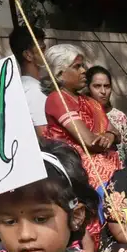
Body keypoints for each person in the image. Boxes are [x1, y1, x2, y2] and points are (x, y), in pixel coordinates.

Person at [41, 45, 120, 191]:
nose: (84, 71)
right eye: (77, 67)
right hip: (80, 175)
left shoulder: (90, 101)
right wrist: (108, 137)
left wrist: (109, 135)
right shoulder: (57, 98)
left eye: (82, 65)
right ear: (59, 73)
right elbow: (89, 141)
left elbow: (117, 134)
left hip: (109, 171)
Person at [86, 66, 127, 166]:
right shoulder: (83, 117)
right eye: (97, 86)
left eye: (107, 86)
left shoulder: (119, 117)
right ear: (88, 87)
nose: (103, 91)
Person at [10, 24, 48, 132]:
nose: (46, 54)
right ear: (28, 55)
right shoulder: (35, 89)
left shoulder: (18, 86)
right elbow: (44, 135)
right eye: (42, 49)